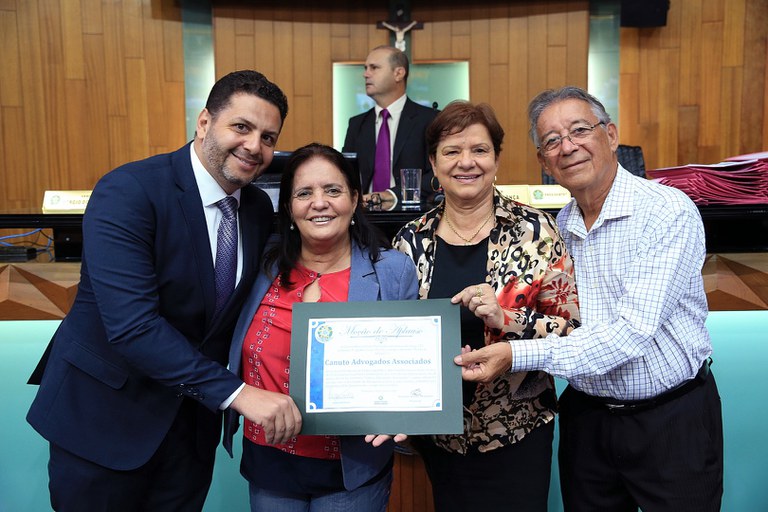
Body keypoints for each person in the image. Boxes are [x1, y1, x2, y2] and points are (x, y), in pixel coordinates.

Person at [26, 70, 303, 511]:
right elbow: (132, 326)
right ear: (204, 122)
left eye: (268, 138)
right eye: (241, 127)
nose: (255, 146)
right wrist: (238, 394)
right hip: (105, 420)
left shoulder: (255, 208)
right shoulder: (129, 190)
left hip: (190, 431)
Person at [456, 86, 724, 511]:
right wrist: (501, 315)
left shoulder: (666, 211)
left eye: (580, 130)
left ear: (611, 135)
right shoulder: (560, 225)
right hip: (587, 420)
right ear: (544, 161)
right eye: (552, 141)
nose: (568, 147)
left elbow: (630, 334)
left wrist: (514, 355)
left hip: (670, 419)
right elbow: (555, 318)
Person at [392, 100, 580, 512]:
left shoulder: (536, 231)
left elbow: (571, 332)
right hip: (437, 437)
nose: (466, 162)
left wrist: (505, 317)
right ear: (433, 162)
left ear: (496, 159)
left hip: (516, 429)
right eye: (451, 151)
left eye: (479, 149)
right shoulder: (410, 240)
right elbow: (394, 336)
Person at [224, 143, 418, 511]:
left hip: (352, 466)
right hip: (269, 459)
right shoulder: (258, 265)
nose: (319, 203)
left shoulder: (393, 270)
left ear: (354, 199)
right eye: (304, 193)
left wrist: (405, 408)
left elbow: (409, 361)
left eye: (332, 190)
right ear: (288, 207)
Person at [342, 45, 438, 208]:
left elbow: (438, 174)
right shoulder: (357, 124)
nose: (366, 74)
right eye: (365, 68)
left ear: (398, 73)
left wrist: (391, 195)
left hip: (412, 214)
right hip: (364, 214)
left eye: (374, 68)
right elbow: (345, 174)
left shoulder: (430, 120)